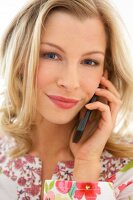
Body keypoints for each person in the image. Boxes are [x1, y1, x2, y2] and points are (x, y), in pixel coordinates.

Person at [0, 0, 133, 199]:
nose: (70, 82)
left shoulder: (127, 170)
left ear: (104, 74)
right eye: (51, 55)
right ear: (21, 60)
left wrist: (86, 166)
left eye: (89, 62)